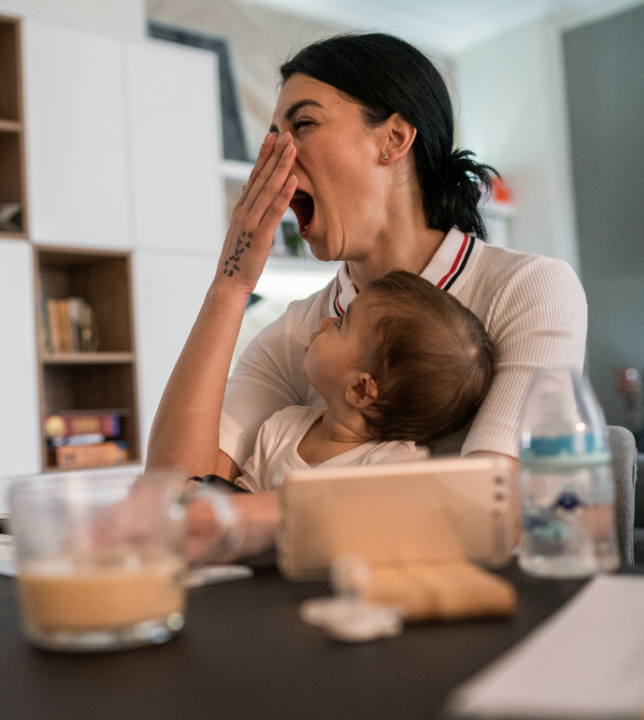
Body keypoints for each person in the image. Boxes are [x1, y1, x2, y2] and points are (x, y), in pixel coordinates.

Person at [146, 33, 587, 562]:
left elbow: (503, 508)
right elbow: (174, 495)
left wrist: (262, 513)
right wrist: (230, 286)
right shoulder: (300, 333)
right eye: (271, 138)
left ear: (394, 138)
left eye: (302, 125)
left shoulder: (530, 290)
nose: (276, 160)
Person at [236, 270, 495, 493]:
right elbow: (239, 506)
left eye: (340, 325)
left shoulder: (396, 468)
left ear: (360, 390)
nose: (325, 322)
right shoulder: (281, 426)